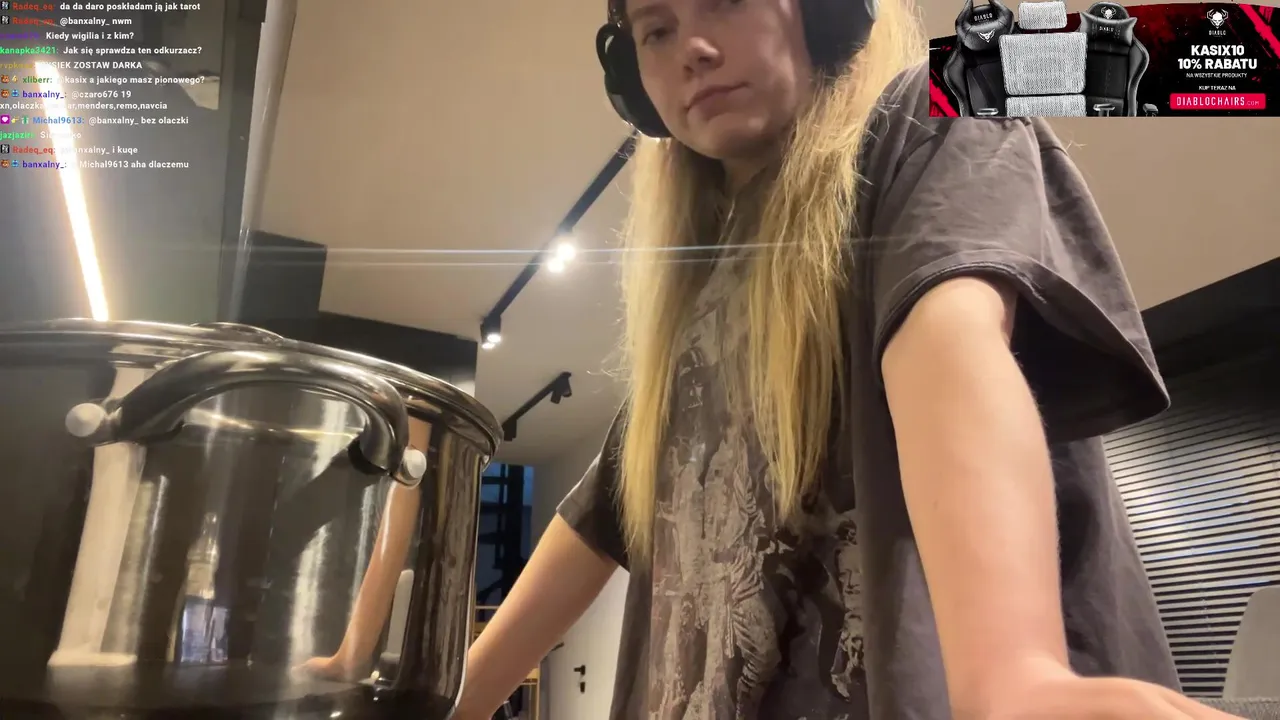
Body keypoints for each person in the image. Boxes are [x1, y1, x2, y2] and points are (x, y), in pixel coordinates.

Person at [457, 0, 1243, 718]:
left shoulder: (925, 116)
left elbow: (948, 340)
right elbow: (601, 519)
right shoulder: (693, 312)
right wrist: (451, 701)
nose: (691, 48)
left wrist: (1012, 676)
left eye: (725, 1)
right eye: (655, 30)